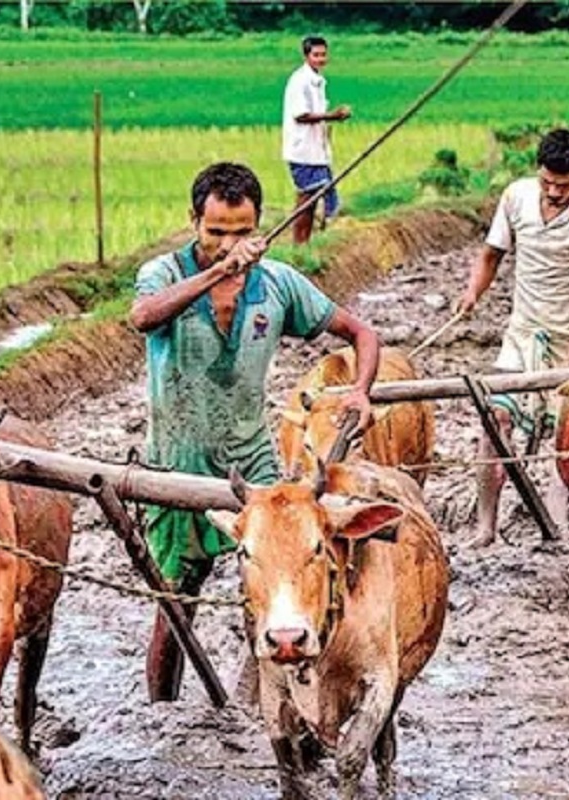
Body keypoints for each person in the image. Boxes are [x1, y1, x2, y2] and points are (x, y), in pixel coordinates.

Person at [129, 162, 379, 700]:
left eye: (242, 232)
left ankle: (266, 704)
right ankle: (161, 713)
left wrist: (360, 391)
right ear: (193, 221)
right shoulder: (164, 275)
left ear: (260, 228)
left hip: (255, 467)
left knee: (282, 590)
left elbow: (360, 333)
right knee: (176, 599)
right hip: (176, 462)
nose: (228, 243)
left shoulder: (277, 285)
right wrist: (217, 272)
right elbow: (144, 318)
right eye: (216, 230)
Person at [454, 128, 569, 548]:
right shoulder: (516, 198)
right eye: (547, 182)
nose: (554, 192)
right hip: (523, 335)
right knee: (494, 421)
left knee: (568, 432)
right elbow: (491, 255)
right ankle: (485, 527)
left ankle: (557, 526)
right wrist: (473, 292)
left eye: (563, 186)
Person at [282, 35, 352, 244]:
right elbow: (301, 115)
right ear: (306, 56)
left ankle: (306, 242)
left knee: (315, 198)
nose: (320, 59)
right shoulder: (300, 81)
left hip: (317, 150)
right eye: (316, 55)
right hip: (303, 151)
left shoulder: (317, 81)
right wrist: (333, 116)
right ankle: (299, 243)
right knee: (306, 199)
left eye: (323, 55)